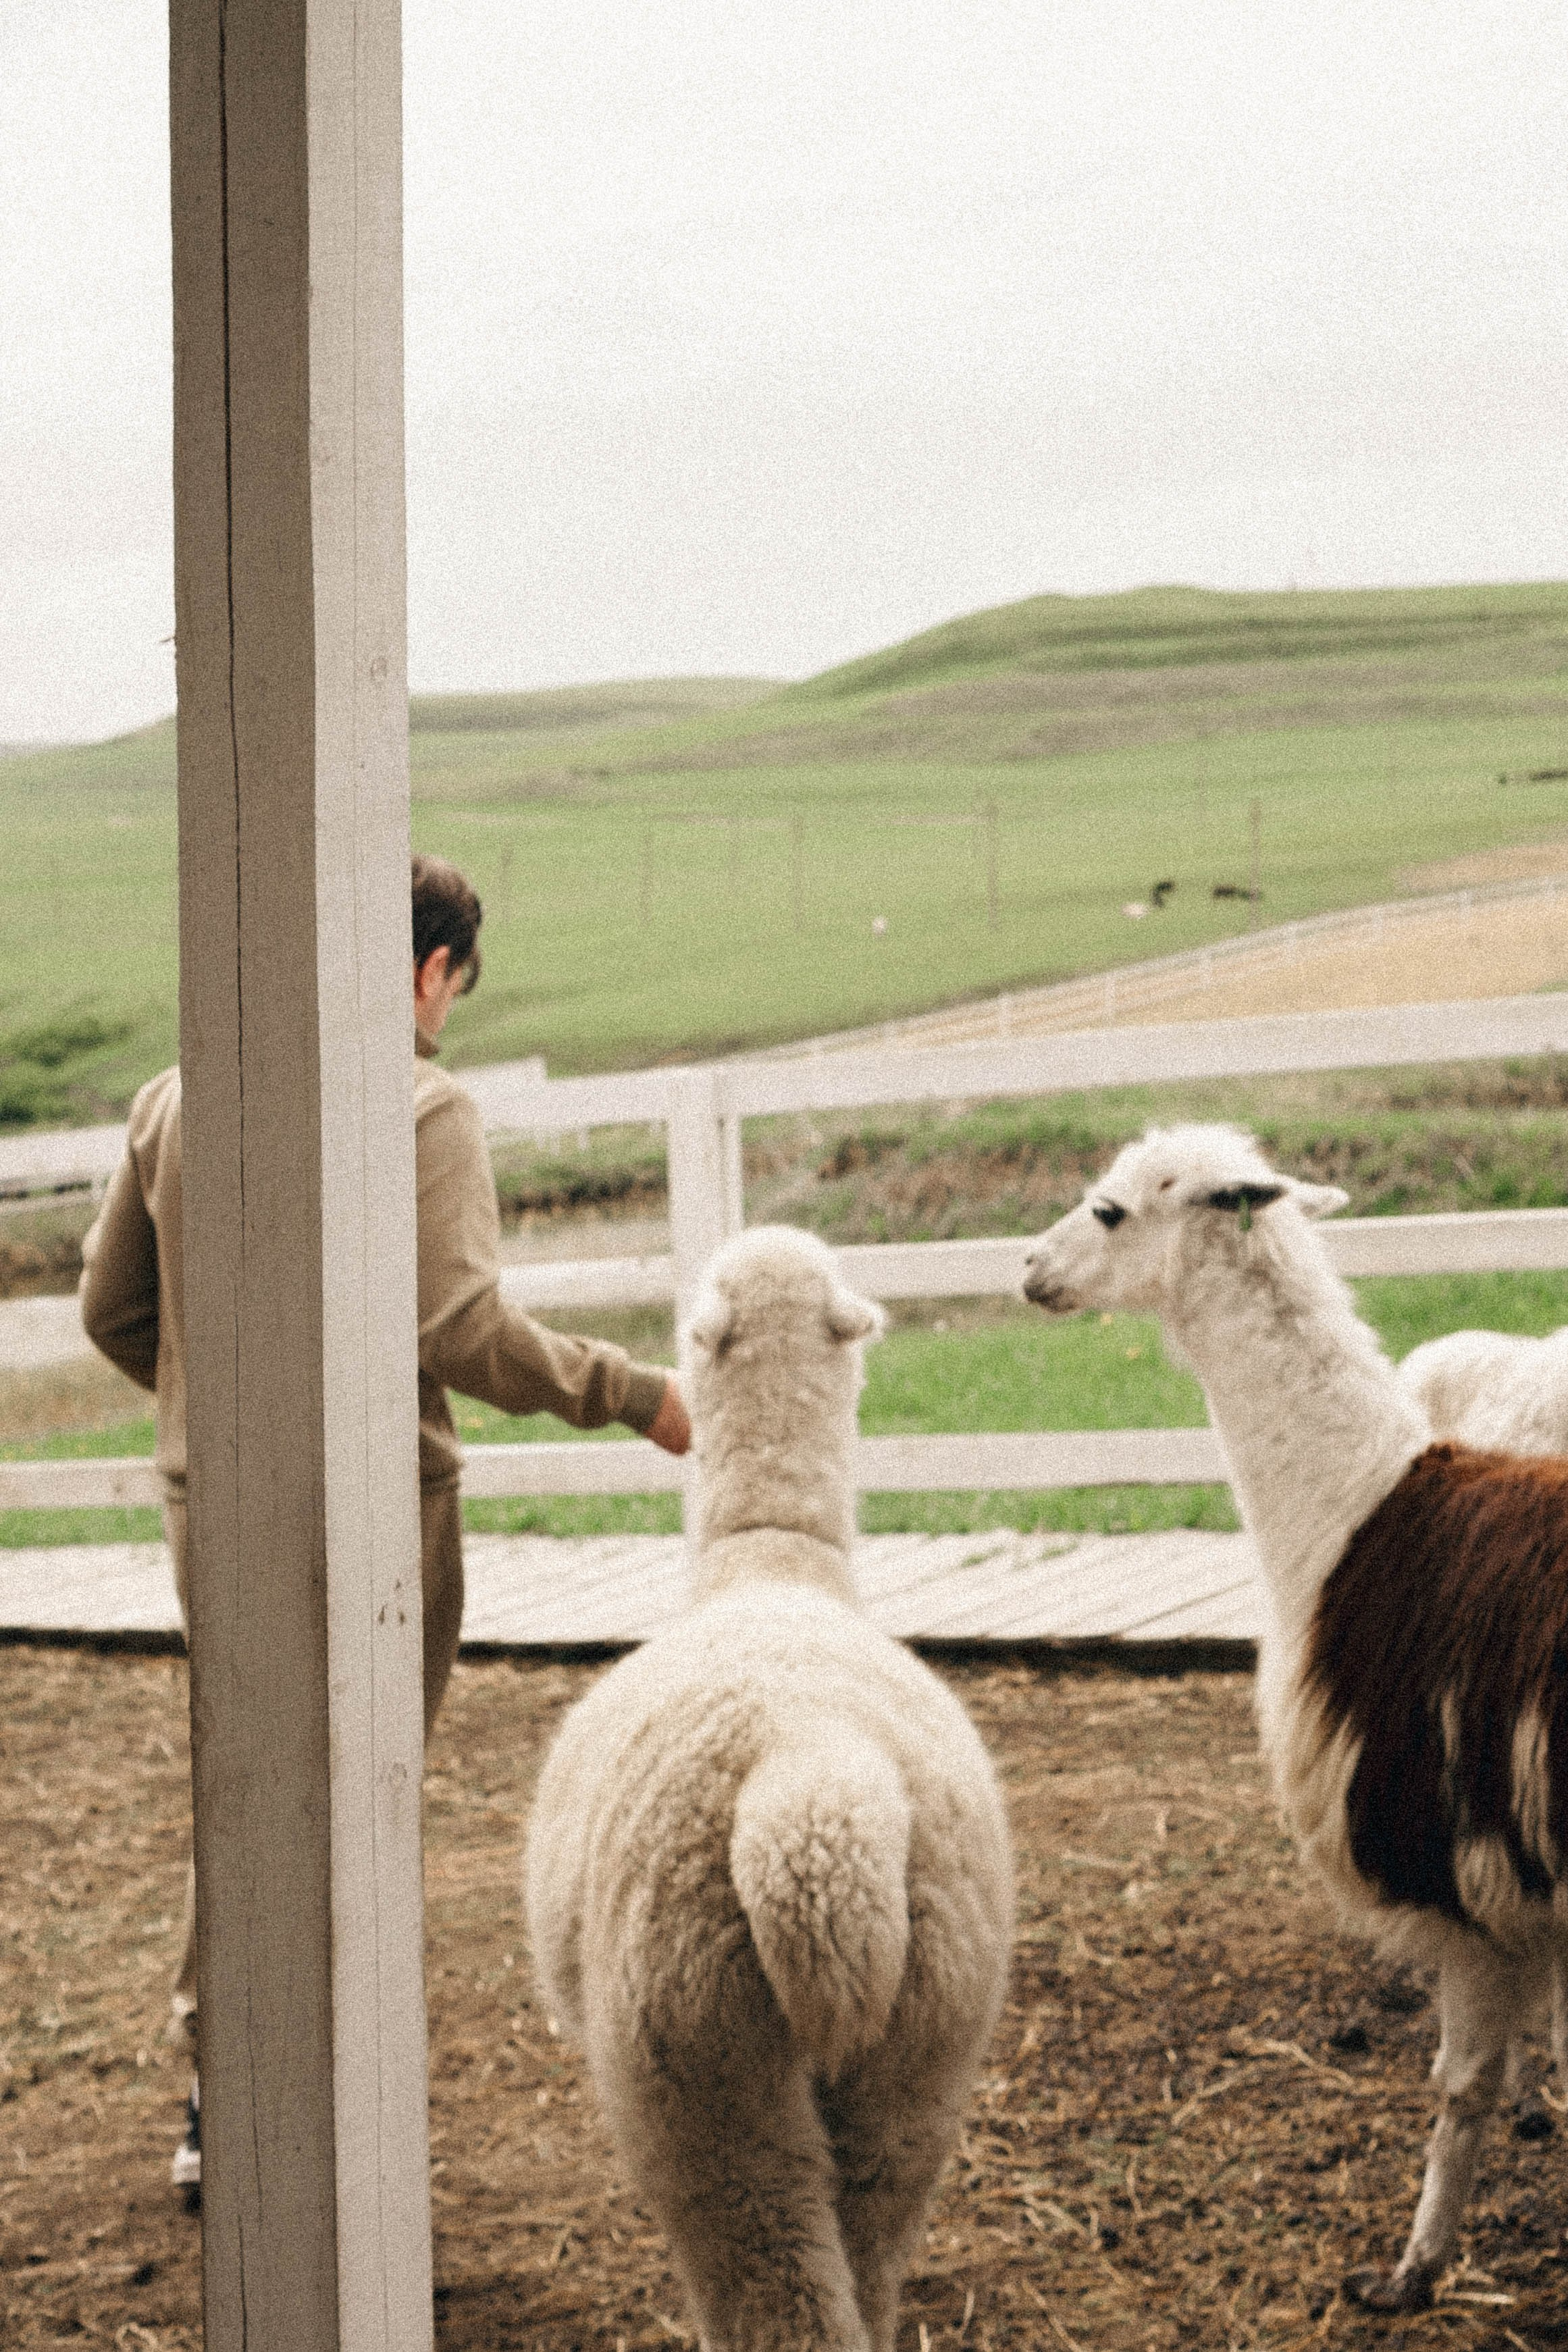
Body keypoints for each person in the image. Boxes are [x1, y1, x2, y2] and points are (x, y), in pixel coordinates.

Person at [79, 853, 689, 2201]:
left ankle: (217, 2095)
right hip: (374, 1509)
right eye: (451, 988)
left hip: (212, 1505)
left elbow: (113, 1313)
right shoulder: (419, 1102)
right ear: (429, 969)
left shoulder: (177, 1095)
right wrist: (635, 1394)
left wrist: (215, 1417)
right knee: (356, 1799)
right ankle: (337, 2097)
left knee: (245, 1788)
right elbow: (460, 1328)